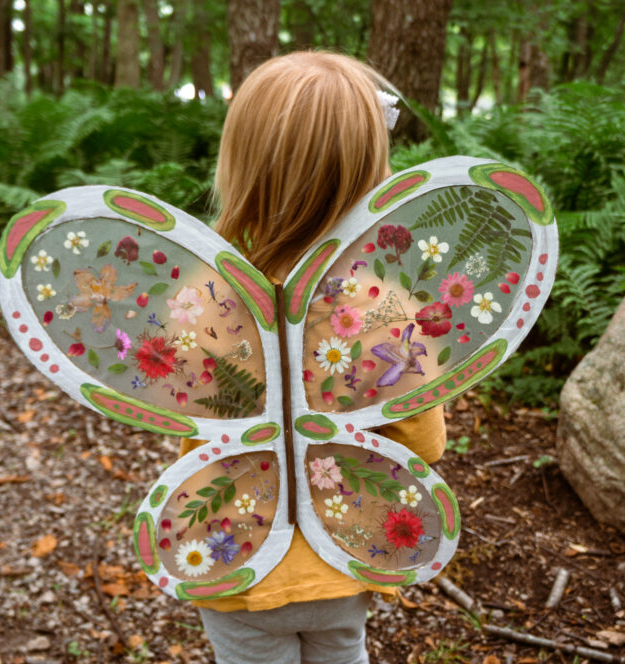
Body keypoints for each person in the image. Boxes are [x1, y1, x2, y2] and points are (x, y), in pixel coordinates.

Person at [179, 51, 447, 664]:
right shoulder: (385, 308)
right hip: (345, 554)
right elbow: (425, 444)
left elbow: (190, 429)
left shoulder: (206, 298)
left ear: (240, 167)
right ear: (374, 171)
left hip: (235, 555)